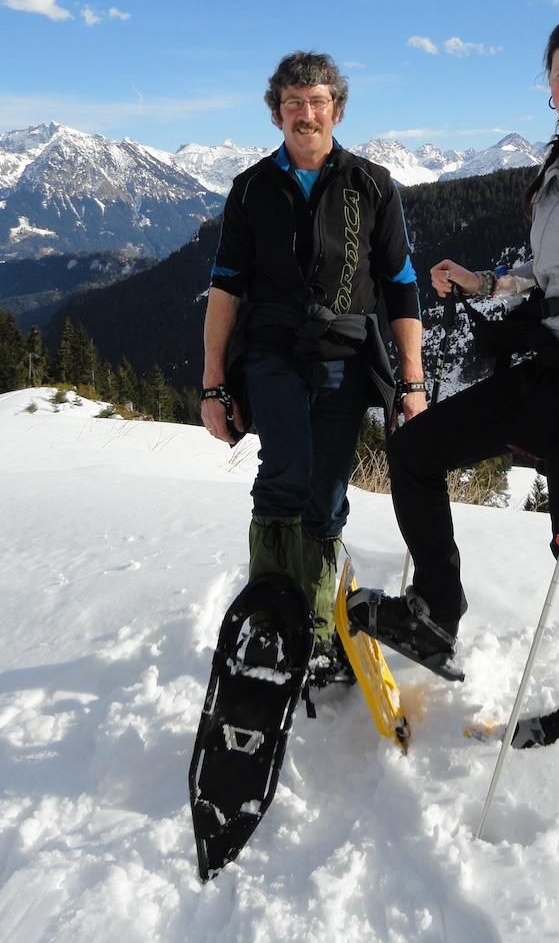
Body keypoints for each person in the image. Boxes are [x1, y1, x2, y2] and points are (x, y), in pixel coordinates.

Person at [348, 10, 559, 751]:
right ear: (549, 82)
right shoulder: (557, 165)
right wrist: (488, 282)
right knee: (416, 450)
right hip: (551, 365)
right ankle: (436, 611)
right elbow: (549, 277)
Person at [201, 50, 428, 680]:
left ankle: (320, 630)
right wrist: (213, 384)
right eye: (293, 102)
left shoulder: (372, 185)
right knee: (287, 466)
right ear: (277, 113)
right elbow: (224, 289)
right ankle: (271, 618)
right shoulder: (251, 188)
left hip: (346, 355)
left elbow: (401, 284)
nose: (306, 113)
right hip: (272, 350)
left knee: (327, 489)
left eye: (317, 100)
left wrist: (412, 378)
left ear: (337, 108)